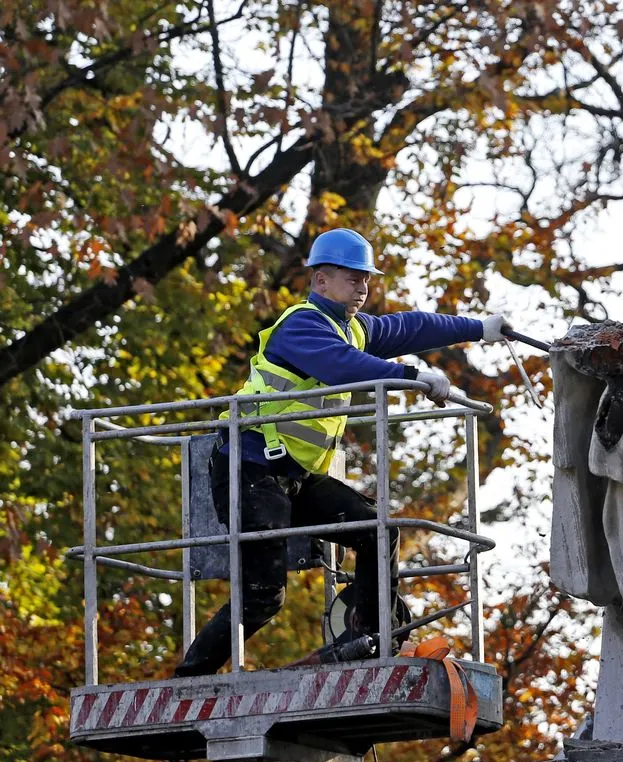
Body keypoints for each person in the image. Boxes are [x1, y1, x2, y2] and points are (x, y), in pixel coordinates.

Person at [174, 228, 509, 677]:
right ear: (320, 281)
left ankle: (370, 639)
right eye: (353, 279)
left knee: (376, 528)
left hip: (292, 474)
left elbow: (410, 326)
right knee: (262, 594)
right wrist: (411, 374)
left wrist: (479, 328)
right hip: (249, 469)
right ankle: (190, 677)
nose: (364, 288)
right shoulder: (302, 327)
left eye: (366, 279)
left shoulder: (351, 328)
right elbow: (341, 366)